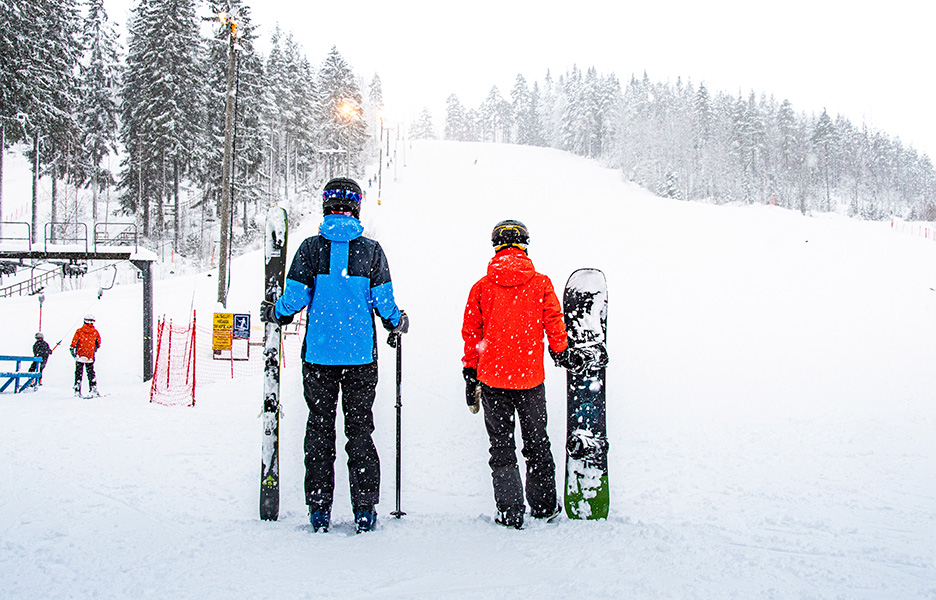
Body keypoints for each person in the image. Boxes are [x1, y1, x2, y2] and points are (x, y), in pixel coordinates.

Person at [261, 177, 409, 534]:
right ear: (356, 206)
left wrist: (275, 313)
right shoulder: (371, 251)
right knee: (359, 430)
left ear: (325, 205)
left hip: (319, 357)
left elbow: (293, 301)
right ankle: (364, 507)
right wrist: (397, 322)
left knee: (320, 428)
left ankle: (319, 506)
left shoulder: (310, 249)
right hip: (359, 358)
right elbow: (384, 304)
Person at [461, 220, 575, 529]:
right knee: (537, 442)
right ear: (524, 245)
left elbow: (471, 334)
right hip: (529, 379)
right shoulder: (540, 283)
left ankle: (509, 511)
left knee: (501, 446)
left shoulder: (482, 287)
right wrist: (561, 349)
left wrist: (470, 371)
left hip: (493, 379)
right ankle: (544, 506)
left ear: (496, 246)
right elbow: (554, 320)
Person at [70, 314, 101, 397]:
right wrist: (93, 350)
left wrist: (73, 349)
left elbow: (74, 342)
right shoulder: (95, 332)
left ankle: (77, 389)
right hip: (89, 355)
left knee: (78, 372)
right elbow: (98, 343)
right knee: (90, 372)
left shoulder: (79, 331)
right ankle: (93, 388)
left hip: (80, 354)